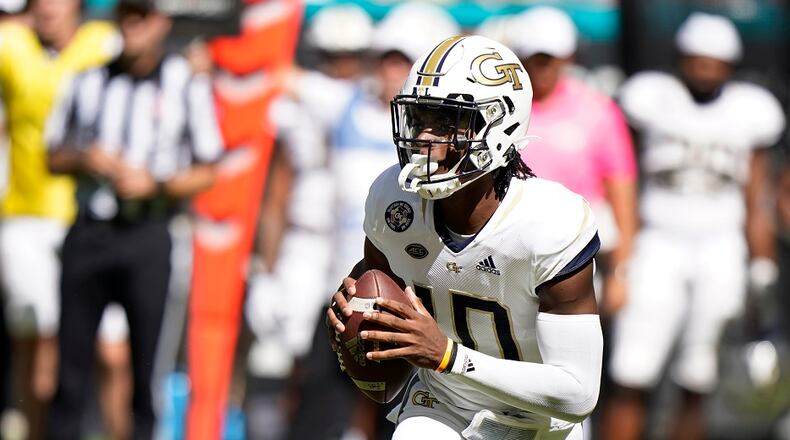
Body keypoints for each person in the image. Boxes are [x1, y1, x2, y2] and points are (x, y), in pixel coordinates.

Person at [326, 35, 603, 440]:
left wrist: (448, 356)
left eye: (446, 122)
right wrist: (353, 305)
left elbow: (578, 394)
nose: (424, 138)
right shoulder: (393, 199)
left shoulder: (548, 223)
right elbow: (380, 277)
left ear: (498, 125)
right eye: (419, 120)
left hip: (540, 421)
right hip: (443, 406)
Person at [601, 12, 786, 440]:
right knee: (632, 367)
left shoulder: (750, 110)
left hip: (720, 245)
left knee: (698, 375)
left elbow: (756, 194)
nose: (705, 69)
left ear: (731, 65)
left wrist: (762, 261)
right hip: (658, 242)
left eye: (714, 61)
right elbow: (623, 172)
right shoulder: (650, 97)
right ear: (683, 57)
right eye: (698, 59)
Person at [44, 0, 223, 437]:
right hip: (89, 230)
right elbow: (52, 155)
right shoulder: (87, 79)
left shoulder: (185, 84)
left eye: (142, 15)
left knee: (146, 369)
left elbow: (209, 169)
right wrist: (86, 157)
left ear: (161, 22)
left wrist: (155, 184)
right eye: (126, 15)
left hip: (148, 231)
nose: (133, 25)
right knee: (70, 370)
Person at [0, 0, 134, 438]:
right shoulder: (12, 44)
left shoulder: (103, 41)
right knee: (43, 349)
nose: (48, 8)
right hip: (28, 216)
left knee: (113, 352)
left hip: (94, 220)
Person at [510, 6, 638, 316]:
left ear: (567, 58)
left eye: (549, 59)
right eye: (533, 59)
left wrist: (621, 272)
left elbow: (622, 191)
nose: (541, 68)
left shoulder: (598, 111)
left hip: (581, 255)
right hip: (513, 249)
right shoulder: (505, 109)